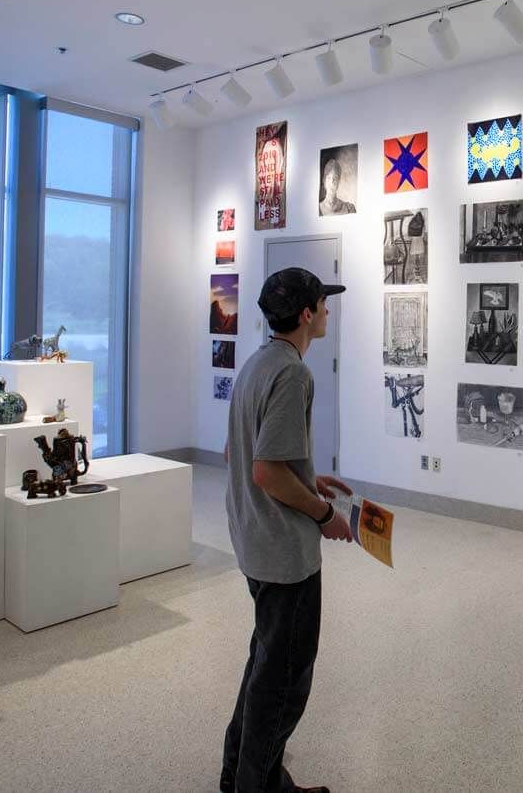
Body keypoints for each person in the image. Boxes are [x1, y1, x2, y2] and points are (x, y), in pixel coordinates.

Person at [221, 266, 353, 793]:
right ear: (306, 314)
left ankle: (241, 776)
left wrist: (307, 476)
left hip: (254, 543)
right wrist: (324, 516)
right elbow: (264, 469)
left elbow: (242, 451)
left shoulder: (257, 363)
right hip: (285, 555)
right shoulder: (295, 373)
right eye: (323, 304)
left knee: (264, 665)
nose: (327, 313)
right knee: (283, 684)